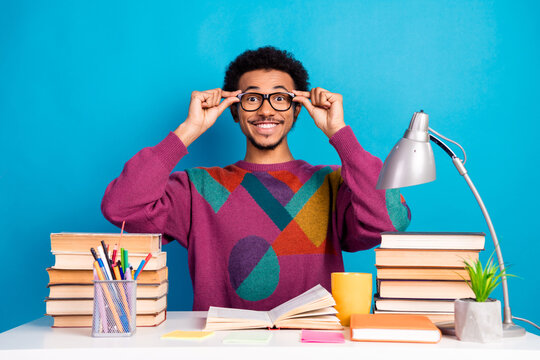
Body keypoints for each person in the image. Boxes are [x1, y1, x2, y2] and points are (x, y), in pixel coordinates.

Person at [101, 46, 411, 311]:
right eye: (252, 99)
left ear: (297, 109)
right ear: (234, 110)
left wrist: (340, 134)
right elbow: (122, 208)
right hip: (220, 349)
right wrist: (188, 131)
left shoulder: (333, 182)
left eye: (279, 98)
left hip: (312, 347)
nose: (265, 110)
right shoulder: (198, 188)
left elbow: (389, 220)